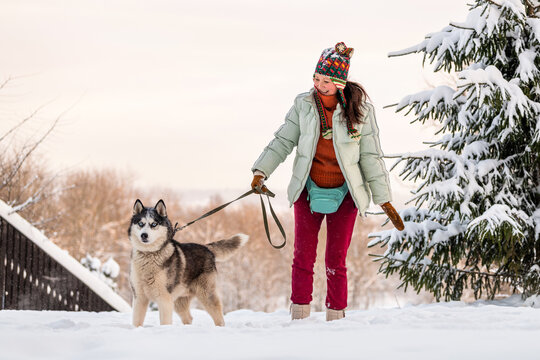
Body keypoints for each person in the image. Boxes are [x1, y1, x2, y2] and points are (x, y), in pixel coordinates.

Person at [250, 42, 404, 321]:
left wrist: (384, 199)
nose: (320, 85)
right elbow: (283, 140)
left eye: (327, 81)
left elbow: (371, 156)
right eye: (317, 78)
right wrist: (261, 171)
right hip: (307, 191)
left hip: (345, 195)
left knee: (335, 260)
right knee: (303, 257)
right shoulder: (304, 106)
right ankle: (299, 315)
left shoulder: (361, 112)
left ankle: (336, 318)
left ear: (340, 82)